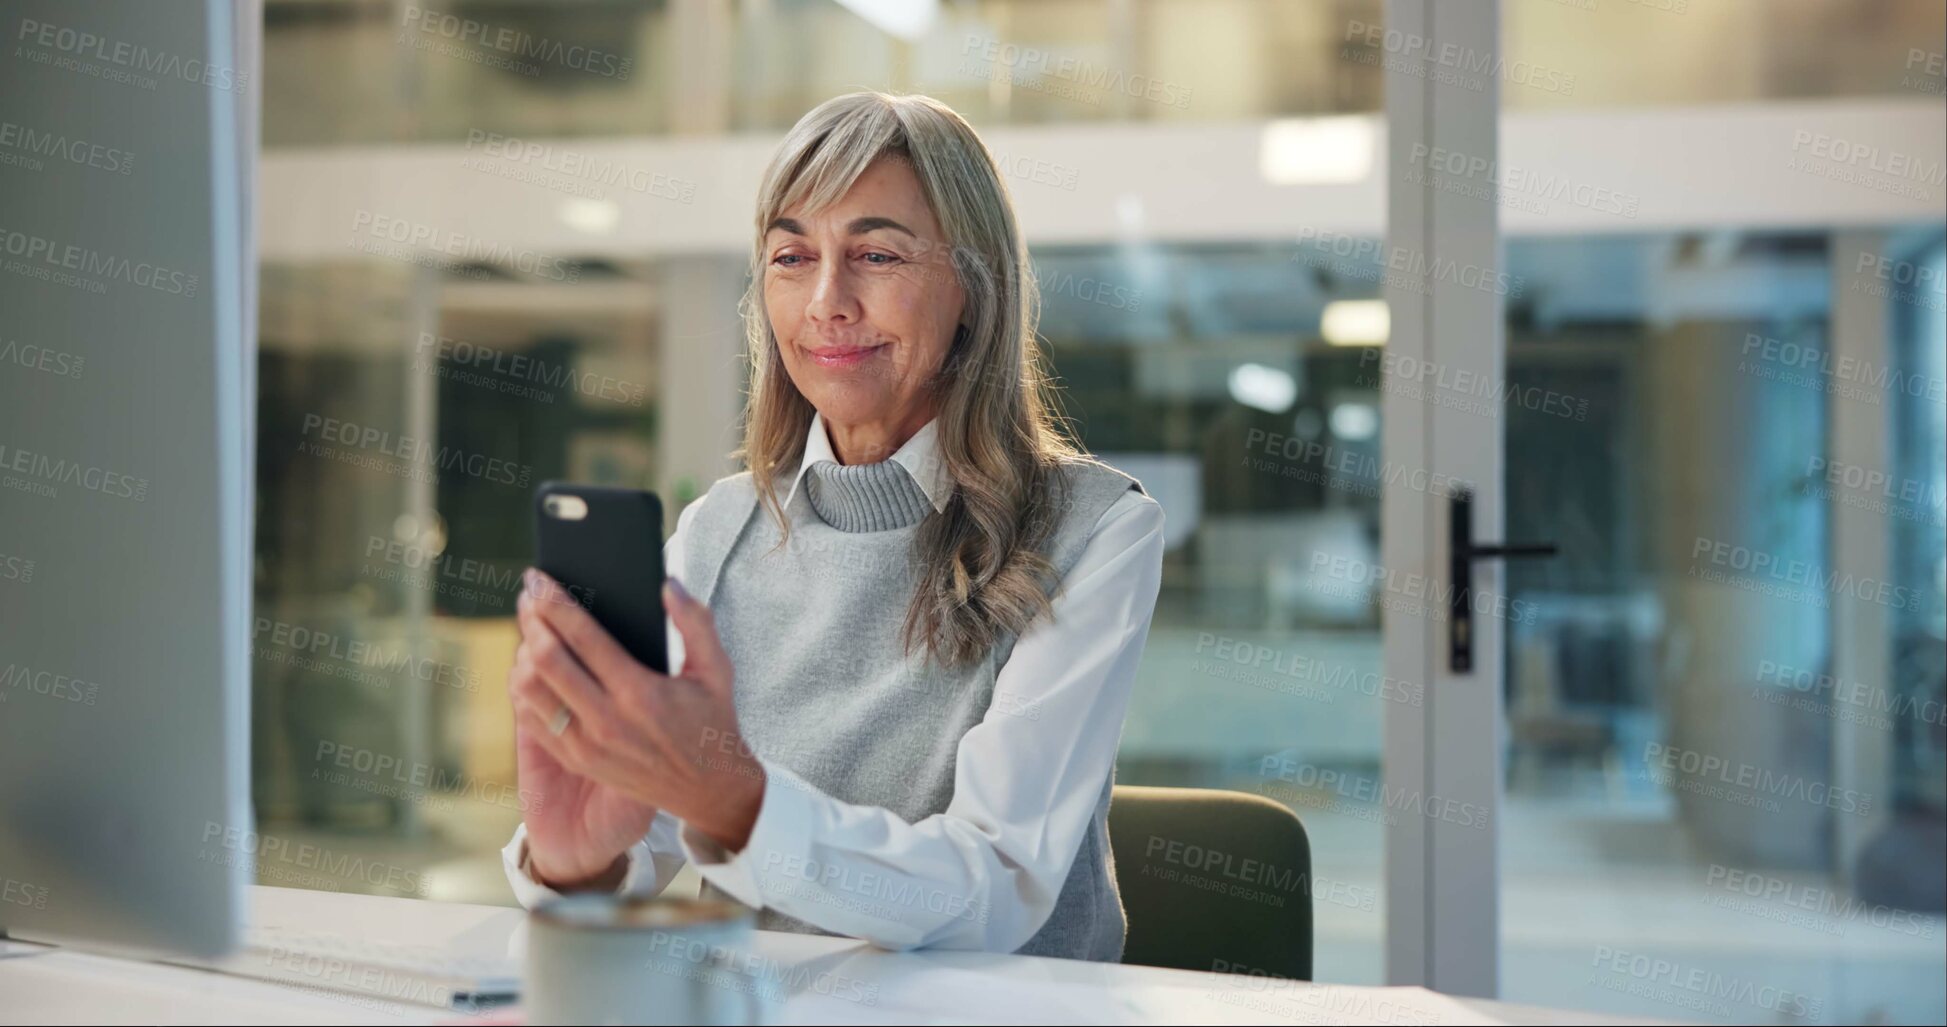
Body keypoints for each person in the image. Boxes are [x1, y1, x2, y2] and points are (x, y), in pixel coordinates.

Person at [501, 91, 1165, 962]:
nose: (826, 301)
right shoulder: (719, 530)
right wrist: (574, 864)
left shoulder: (1095, 529)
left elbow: (999, 889)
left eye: (877, 253)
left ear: (973, 285)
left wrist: (740, 805)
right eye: (790, 255)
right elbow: (648, 837)